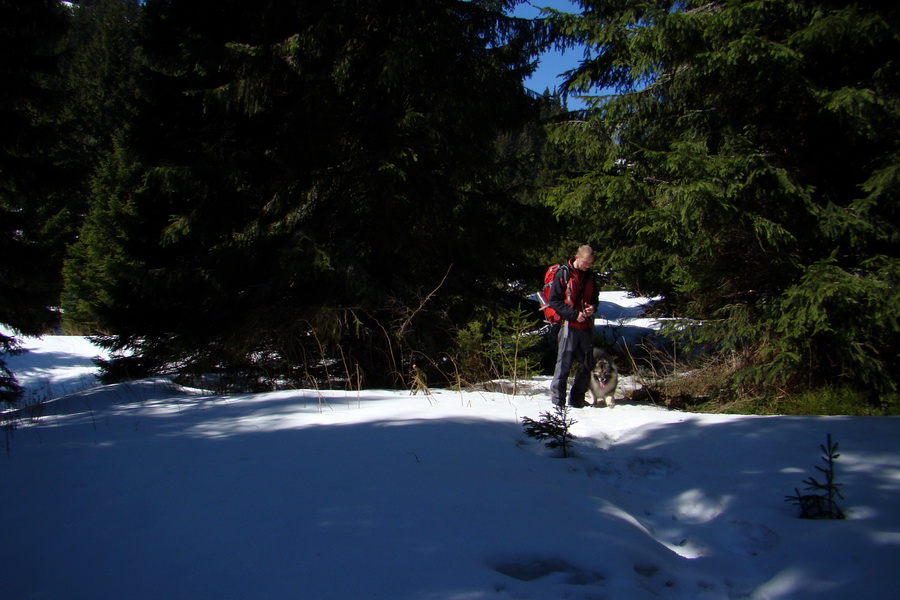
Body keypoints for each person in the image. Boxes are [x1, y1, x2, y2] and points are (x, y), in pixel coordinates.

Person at [548, 245, 599, 408]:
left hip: (586, 326)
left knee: (586, 364)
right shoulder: (563, 274)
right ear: (577, 257)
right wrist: (573, 314)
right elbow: (553, 301)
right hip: (568, 325)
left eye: (590, 263)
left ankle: (577, 399)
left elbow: (595, 298)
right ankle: (558, 401)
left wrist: (593, 308)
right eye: (585, 262)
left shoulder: (590, 276)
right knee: (564, 363)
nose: (588, 266)